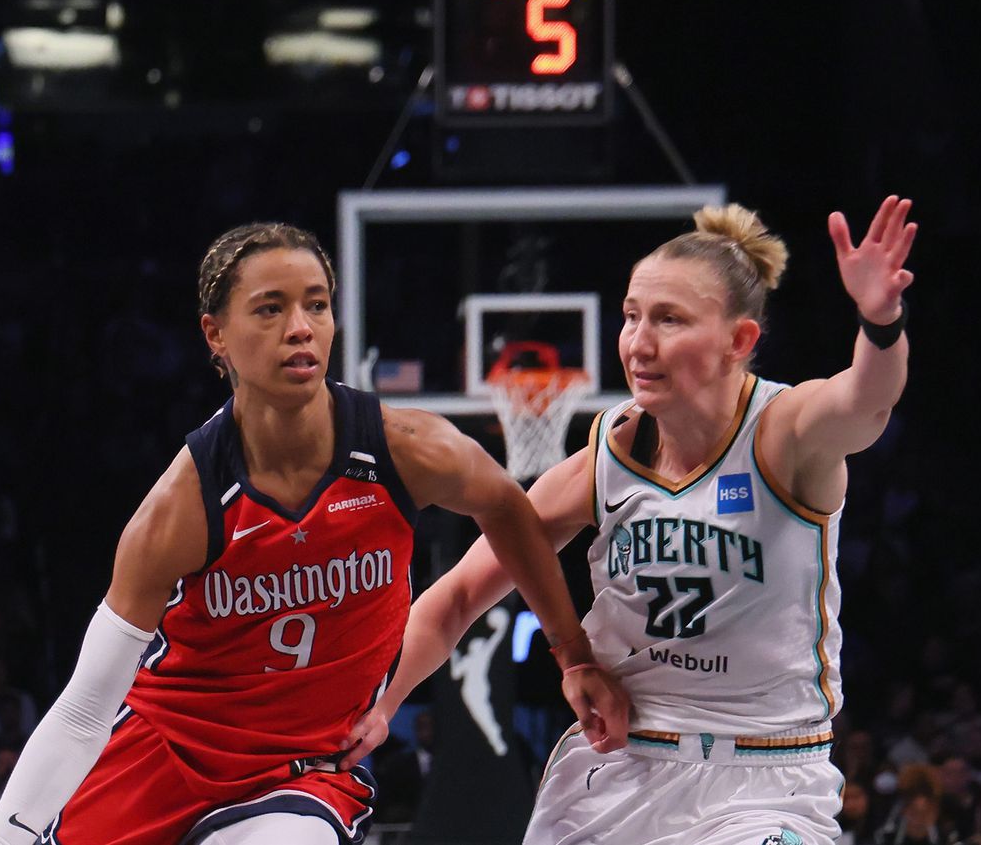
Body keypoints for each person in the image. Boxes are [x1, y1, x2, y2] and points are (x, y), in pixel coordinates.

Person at [0, 222, 627, 845]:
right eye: (270, 308)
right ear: (216, 334)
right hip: (166, 753)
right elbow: (87, 709)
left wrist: (570, 649)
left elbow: (509, 509)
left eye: (316, 305)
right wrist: (3, 831)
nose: (300, 327)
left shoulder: (405, 450)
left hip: (305, 768)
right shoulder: (183, 507)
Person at [342, 197, 918, 845]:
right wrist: (382, 702)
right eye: (631, 316)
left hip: (760, 783)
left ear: (739, 341)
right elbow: (456, 596)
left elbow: (866, 402)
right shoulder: (607, 457)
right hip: (615, 776)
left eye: (669, 320)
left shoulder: (785, 434)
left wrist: (880, 320)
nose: (639, 343)